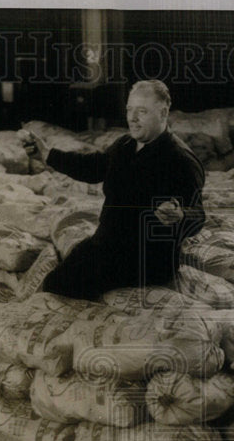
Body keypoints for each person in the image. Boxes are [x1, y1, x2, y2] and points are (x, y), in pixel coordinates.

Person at [24, 79, 206, 302]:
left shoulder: (180, 159)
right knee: (59, 274)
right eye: (130, 109)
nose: (132, 118)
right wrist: (48, 154)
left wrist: (181, 215)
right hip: (108, 245)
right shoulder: (125, 145)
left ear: (163, 112)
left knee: (59, 286)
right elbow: (93, 167)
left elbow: (198, 214)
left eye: (142, 111)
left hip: (146, 260)